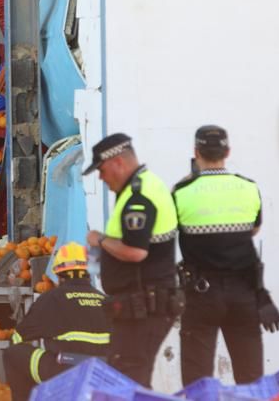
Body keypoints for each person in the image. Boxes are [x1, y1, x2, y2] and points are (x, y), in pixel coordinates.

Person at [174, 125, 279, 386]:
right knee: (250, 378)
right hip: (244, 293)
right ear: (228, 151)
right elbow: (253, 229)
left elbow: (169, 230)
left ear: (196, 152)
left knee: (197, 380)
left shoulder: (181, 191)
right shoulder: (248, 188)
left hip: (200, 294)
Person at [84, 132, 182, 387]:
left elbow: (136, 251)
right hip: (140, 304)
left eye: (102, 170)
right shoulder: (141, 187)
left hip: (144, 306)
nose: (101, 178)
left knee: (129, 378)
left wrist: (100, 240)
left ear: (118, 162)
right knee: (129, 376)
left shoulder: (139, 196)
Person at [3, 242, 110, 401]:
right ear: (88, 273)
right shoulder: (105, 300)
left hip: (68, 373)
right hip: (104, 374)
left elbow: (17, 339)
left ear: (59, 276)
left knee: (13, 353)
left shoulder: (51, 298)